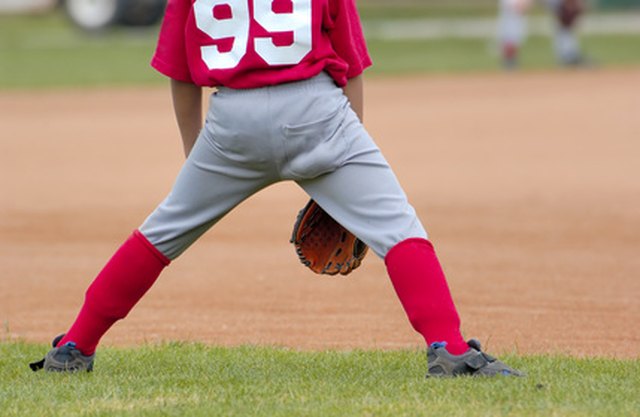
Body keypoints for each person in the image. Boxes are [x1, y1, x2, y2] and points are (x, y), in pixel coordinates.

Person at [30, 0, 523, 377]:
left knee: (161, 233)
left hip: (232, 120)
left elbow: (181, 76)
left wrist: (196, 157)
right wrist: (345, 171)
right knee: (398, 228)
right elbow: (349, 66)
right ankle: (450, 349)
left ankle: (74, 346)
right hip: (316, 112)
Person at [546, 0, 589, 66]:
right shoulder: (559, 5)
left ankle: (572, 60)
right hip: (562, 26)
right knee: (564, 42)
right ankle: (569, 60)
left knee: (569, 42)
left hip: (567, 27)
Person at [497, 0, 532, 69]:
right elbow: (515, 6)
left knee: (516, 43)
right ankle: (508, 63)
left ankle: (513, 62)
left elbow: (526, 6)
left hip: (518, 22)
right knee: (508, 42)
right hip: (509, 22)